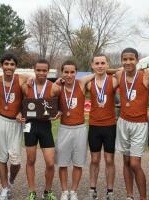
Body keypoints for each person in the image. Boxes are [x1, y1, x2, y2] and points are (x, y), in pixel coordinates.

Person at [114, 48, 149, 200]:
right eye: (124, 59)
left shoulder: (145, 76)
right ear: (121, 61)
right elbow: (106, 71)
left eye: (131, 59)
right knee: (126, 161)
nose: (128, 62)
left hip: (139, 124)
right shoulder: (119, 74)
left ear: (137, 60)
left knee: (135, 163)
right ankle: (129, 195)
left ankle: (143, 197)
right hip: (123, 122)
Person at [18, 59, 60, 200]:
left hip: (45, 127)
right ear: (34, 70)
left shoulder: (54, 87)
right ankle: (32, 191)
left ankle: (47, 192)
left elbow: (60, 106)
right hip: (30, 126)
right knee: (30, 160)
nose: (41, 73)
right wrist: (19, 114)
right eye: (38, 70)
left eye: (44, 70)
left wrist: (58, 113)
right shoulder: (26, 86)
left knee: (50, 162)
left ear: (48, 71)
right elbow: (20, 105)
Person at [0, 52, 29, 200]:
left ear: (16, 67)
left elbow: (30, 95)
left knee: (16, 161)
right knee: (1, 158)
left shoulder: (22, 80)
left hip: (15, 123)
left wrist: (21, 111)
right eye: (6, 64)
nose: (9, 67)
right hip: (1, 121)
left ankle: (10, 181)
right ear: (2, 65)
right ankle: (4, 188)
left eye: (12, 64)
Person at [56, 60, 94, 200]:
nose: (69, 75)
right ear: (62, 72)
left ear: (76, 73)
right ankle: (65, 191)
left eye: (72, 72)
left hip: (80, 129)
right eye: (66, 72)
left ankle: (74, 191)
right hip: (64, 128)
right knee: (62, 162)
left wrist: (115, 69)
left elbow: (100, 71)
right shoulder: (58, 87)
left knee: (78, 162)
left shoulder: (81, 83)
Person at [87, 54, 118, 200]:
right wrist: (95, 73)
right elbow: (77, 81)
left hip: (110, 126)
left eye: (103, 63)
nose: (100, 65)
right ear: (92, 65)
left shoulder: (113, 81)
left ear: (107, 64)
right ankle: (92, 190)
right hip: (94, 126)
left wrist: (108, 71)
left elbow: (124, 70)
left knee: (109, 160)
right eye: (97, 63)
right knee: (94, 159)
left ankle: (110, 191)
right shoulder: (89, 83)